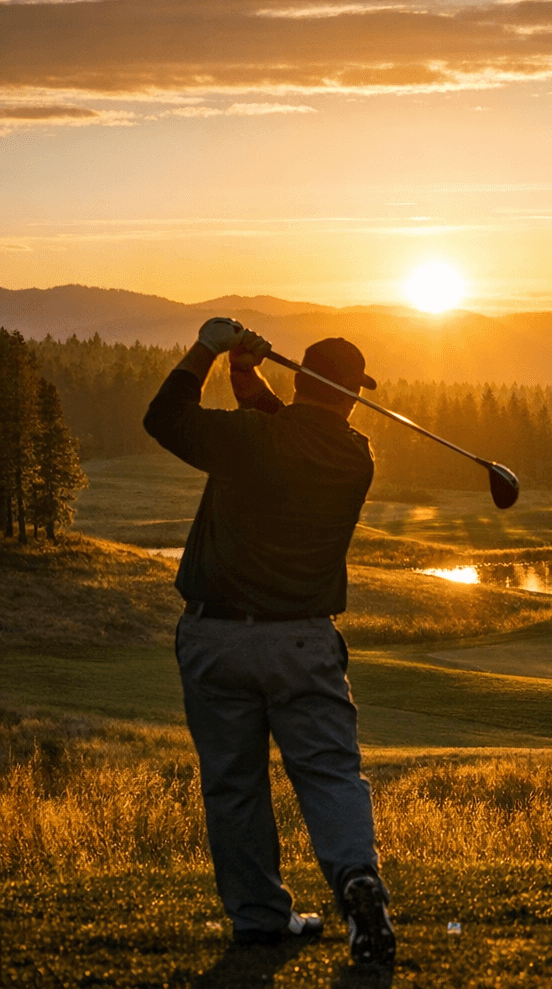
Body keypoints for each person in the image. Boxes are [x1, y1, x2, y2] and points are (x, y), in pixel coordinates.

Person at [142, 317, 395, 965]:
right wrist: (245, 375)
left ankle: (258, 919)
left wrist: (207, 346)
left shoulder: (254, 441)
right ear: (348, 394)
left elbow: (166, 417)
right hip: (305, 643)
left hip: (218, 638)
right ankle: (357, 883)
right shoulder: (353, 455)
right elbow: (286, 433)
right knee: (330, 772)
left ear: (302, 379)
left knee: (234, 784)